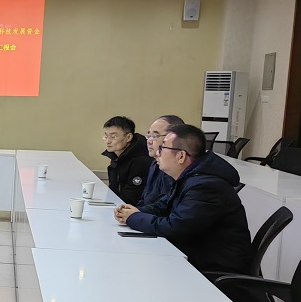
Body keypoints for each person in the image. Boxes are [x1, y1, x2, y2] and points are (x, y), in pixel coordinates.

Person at [115, 124, 253, 273]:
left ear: (181, 156)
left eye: (162, 148)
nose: (158, 153)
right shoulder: (190, 177)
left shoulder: (206, 186)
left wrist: (133, 217)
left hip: (212, 270)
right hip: (194, 258)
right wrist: (133, 211)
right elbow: (163, 206)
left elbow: (174, 227)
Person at [101, 116, 152, 205]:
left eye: (113, 137)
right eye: (106, 136)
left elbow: (132, 198)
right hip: (118, 206)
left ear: (128, 137)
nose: (108, 141)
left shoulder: (141, 161)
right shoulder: (116, 156)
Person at [138, 114, 184, 208]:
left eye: (155, 136)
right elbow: (144, 199)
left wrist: (137, 213)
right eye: (148, 136)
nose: (149, 141)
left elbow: (164, 208)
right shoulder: (154, 164)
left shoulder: (172, 170)